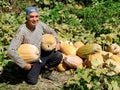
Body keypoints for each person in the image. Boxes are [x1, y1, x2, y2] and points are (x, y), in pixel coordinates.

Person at [7, 6, 63, 85]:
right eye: (31, 17)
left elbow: (51, 31)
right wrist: (24, 65)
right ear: (27, 17)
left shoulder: (40, 24)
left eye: (36, 16)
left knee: (58, 56)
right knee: (32, 81)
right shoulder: (22, 31)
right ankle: (24, 70)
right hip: (31, 59)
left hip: (41, 53)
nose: (35, 19)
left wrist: (58, 42)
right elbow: (11, 50)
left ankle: (46, 72)